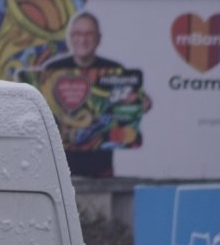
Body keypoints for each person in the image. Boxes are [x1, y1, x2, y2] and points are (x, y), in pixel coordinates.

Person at [42, 11, 150, 178]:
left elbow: (139, 101)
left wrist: (140, 104)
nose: (83, 40)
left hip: (101, 170)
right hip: (60, 173)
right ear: (70, 37)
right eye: (78, 33)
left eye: (89, 34)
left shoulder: (114, 70)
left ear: (98, 38)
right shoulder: (52, 70)